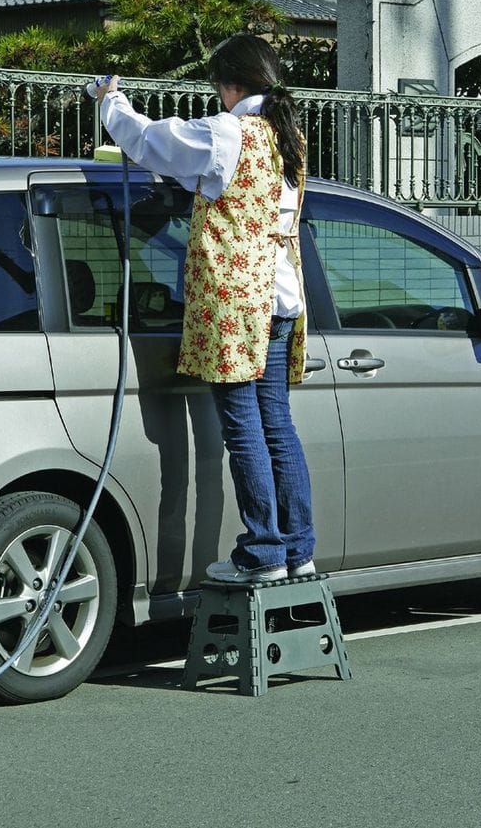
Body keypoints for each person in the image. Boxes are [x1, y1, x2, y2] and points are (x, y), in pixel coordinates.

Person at [93, 34, 316, 584]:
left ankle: (262, 551)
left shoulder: (227, 132)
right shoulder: (288, 136)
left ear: (229, 84)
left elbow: (150, 141)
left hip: (237, 303)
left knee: (242, 429)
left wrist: (110, 101)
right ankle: (298, 549)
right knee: (277, 426)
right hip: (283, 297)